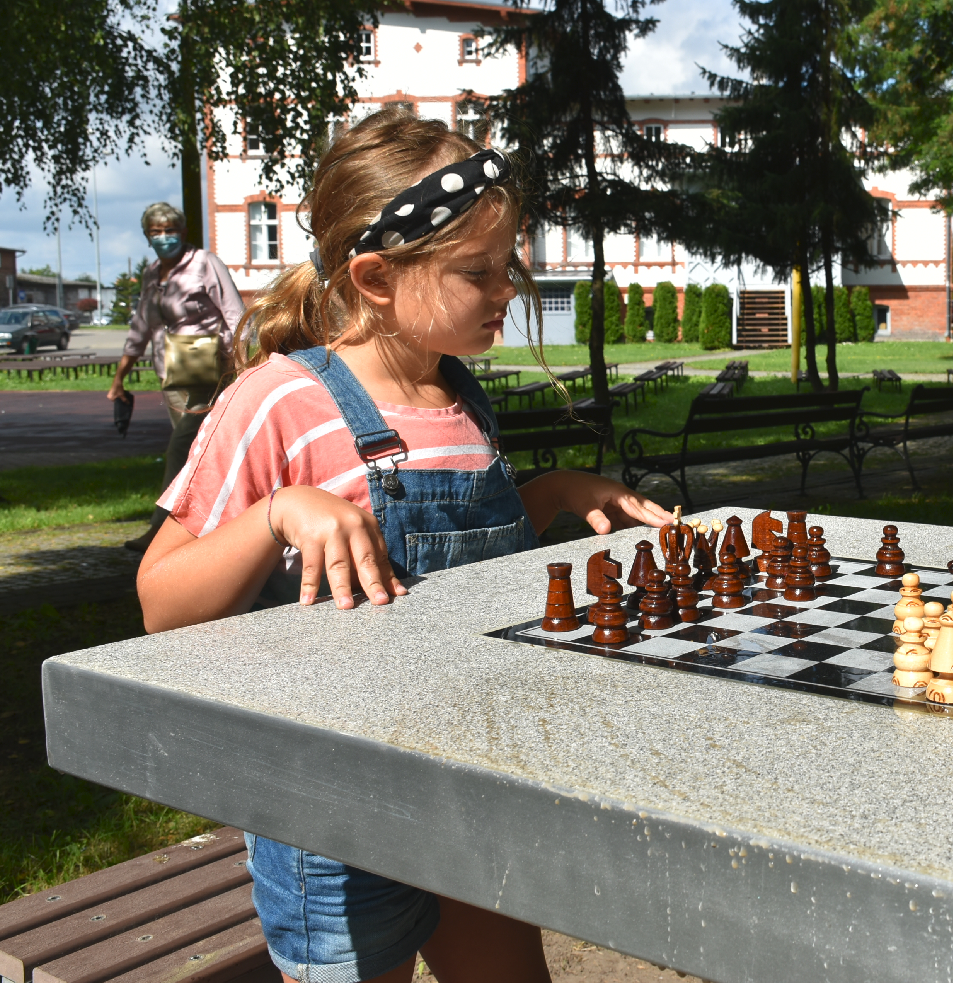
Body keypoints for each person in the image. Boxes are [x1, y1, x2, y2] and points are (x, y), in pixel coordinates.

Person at [136, 110, 670, 983]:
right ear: (376, 277)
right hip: (334, 813)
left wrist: (559, 493)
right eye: (479, 272)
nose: (509, 291)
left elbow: (460, 566)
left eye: (510, 265)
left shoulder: (459, 396)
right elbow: (159, 601)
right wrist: (278, 513)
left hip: (472, 773)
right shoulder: (280, 402)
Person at [110, 201, 247, 552]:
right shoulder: (152, 273)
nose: (164, 237)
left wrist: (244, 362)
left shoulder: (204, 263)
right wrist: (119, 378)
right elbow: (140, 326)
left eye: (170, 230)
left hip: (205, 362)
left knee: (180, 446)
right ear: (146, 236)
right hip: (169, 368)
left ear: (182, 232)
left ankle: (159, 530)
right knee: (194, 452)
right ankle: (204, 523)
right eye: (156, 232)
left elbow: (234, 313)